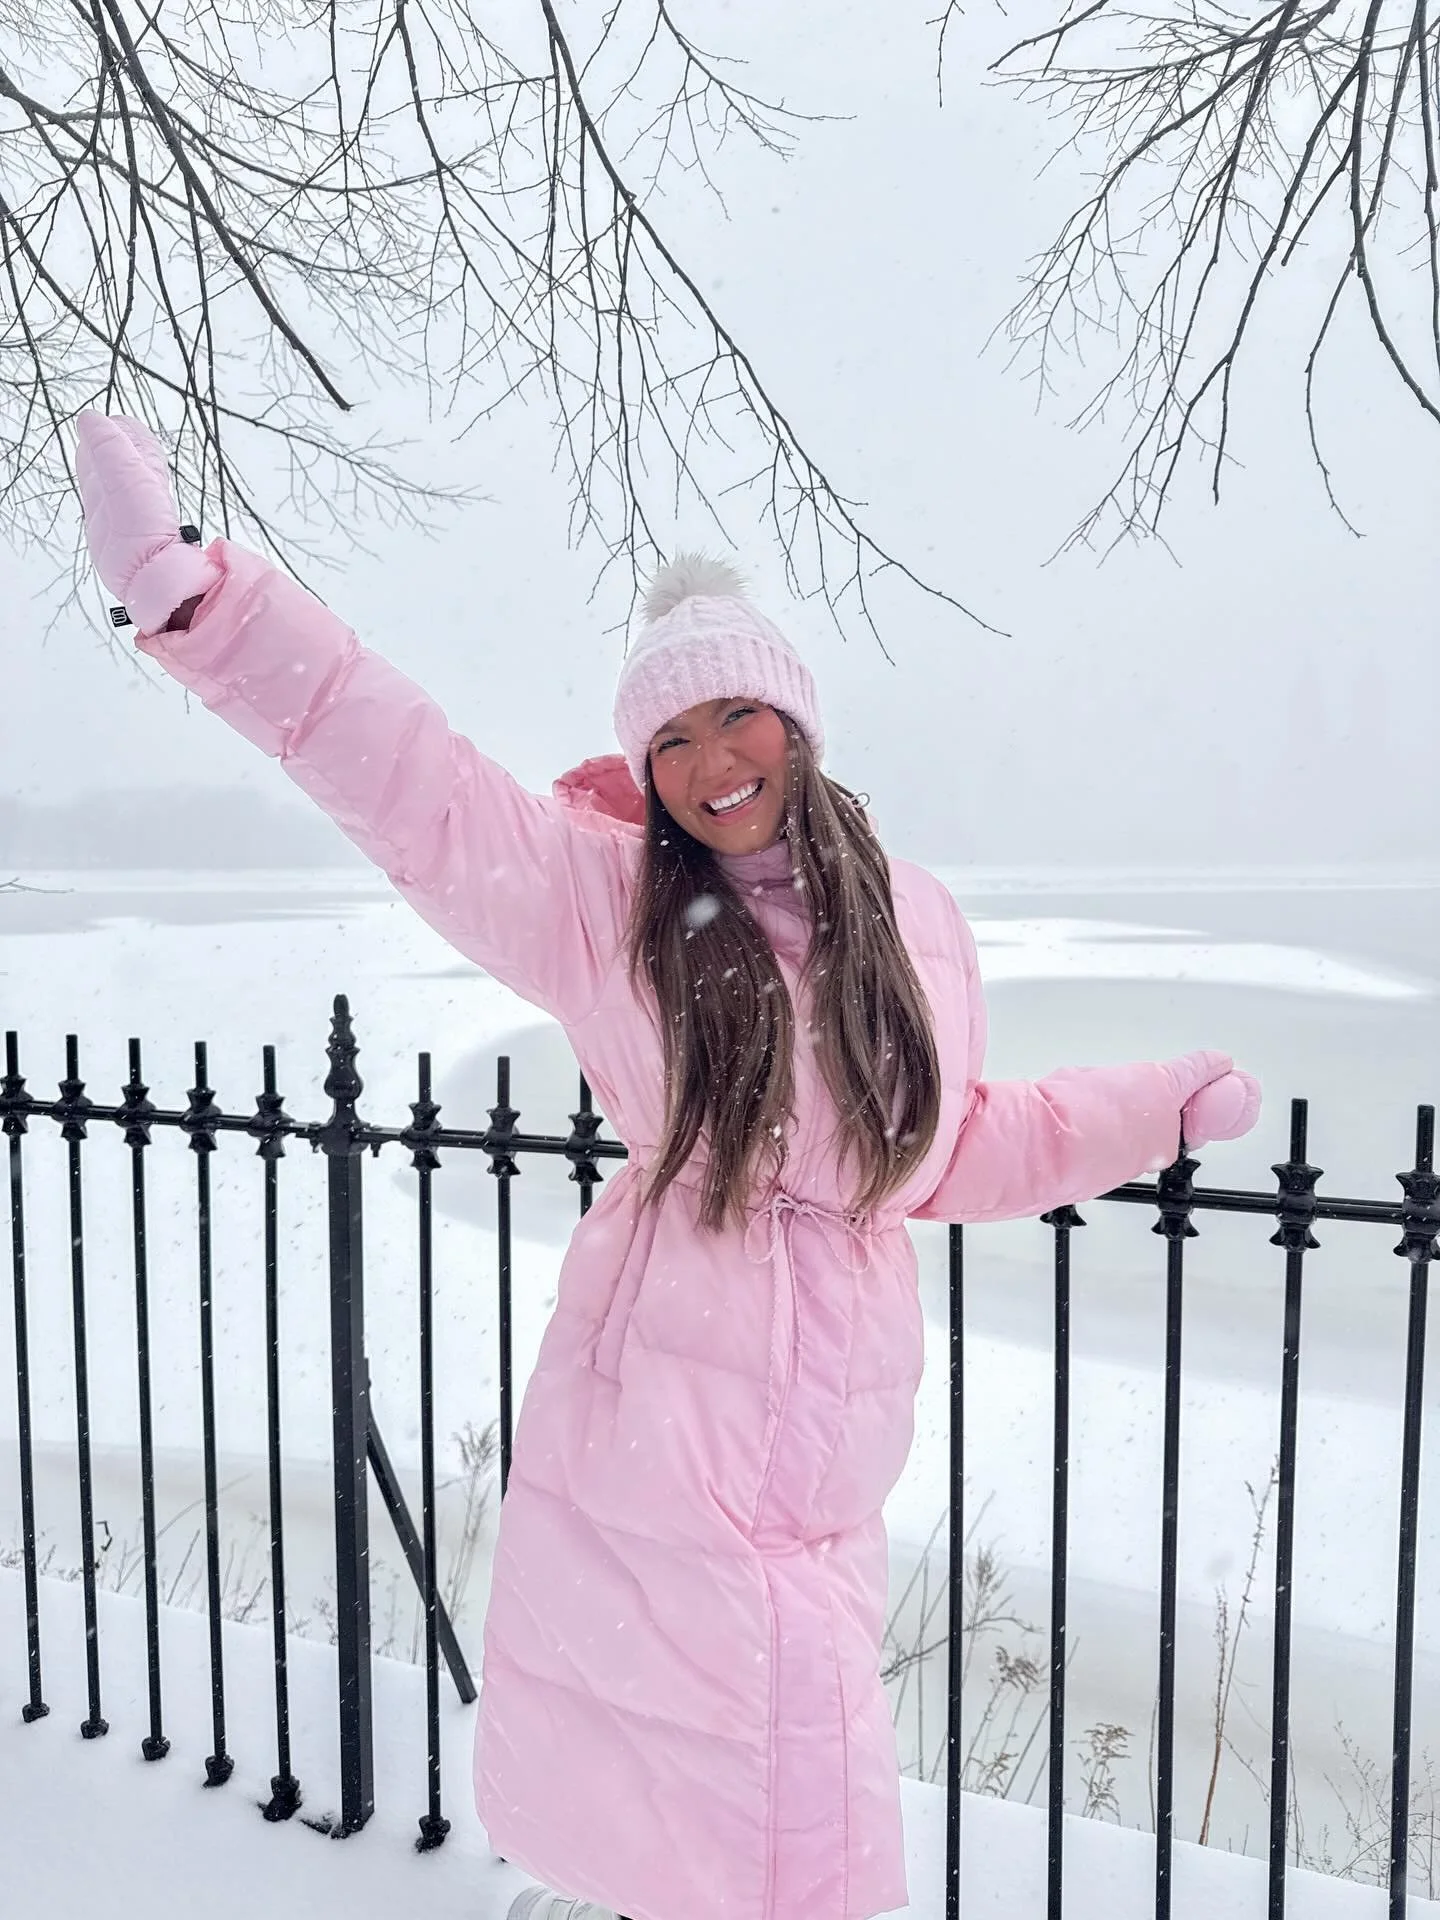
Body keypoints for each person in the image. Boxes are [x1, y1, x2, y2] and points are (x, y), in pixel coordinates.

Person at [74, 412, 1260, 1920]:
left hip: (824, 1476)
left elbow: (944, 1143)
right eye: (673, 741)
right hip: (666, 1440)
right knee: (727, 1827)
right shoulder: (610, 907)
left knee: (779, 1824)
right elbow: (414, 782)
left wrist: (1151, 1106)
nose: (710, 766)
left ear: (796, 722)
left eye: (733, 722)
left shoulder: (913, 918)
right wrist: (205, 606)